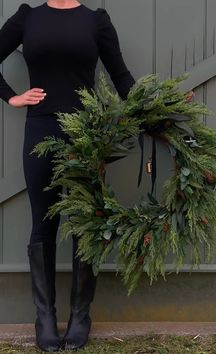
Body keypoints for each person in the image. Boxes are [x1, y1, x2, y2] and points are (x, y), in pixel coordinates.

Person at [0, 0, 136, 352]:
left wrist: (155, 108)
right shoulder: (28, 17)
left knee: (85, 224)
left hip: (86, 137)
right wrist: (11, 98)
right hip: (40, 132)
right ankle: (44, 317)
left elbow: (121, 78)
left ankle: (80, 315)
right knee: (43, 223)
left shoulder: (95, 21)